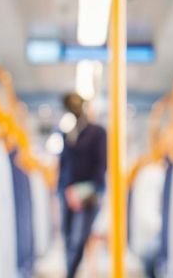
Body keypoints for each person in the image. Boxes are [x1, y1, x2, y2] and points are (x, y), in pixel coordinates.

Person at [57, 92, 107, 278]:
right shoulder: (67, 134)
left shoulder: (98, 133)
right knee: (68, 239)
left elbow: (101, 166)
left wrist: (82, 192)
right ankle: (69, 273)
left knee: (78, 240)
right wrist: (64, 191)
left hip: (87, 196)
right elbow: (63, 166)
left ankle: (69, 274)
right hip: (67, 195)